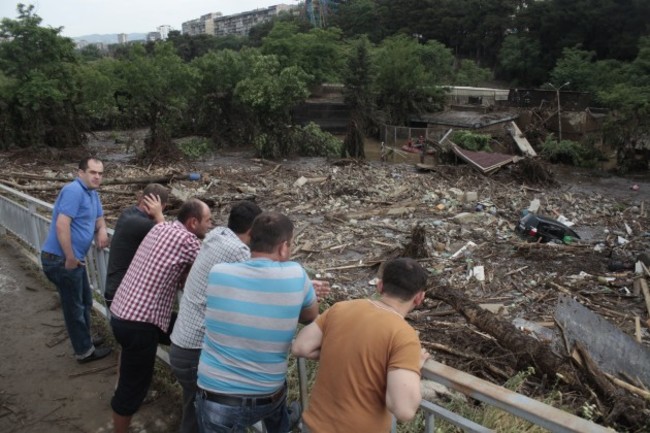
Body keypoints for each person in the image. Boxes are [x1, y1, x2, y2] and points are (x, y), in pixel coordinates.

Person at [195, 211, 319, 433]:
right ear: (283, 247)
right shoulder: (296, 274)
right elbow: (311, 315)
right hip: (268, 396)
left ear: (250, 238)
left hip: (217, 398)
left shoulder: (218, 273)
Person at [291, 257, 430, 433]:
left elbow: (301, 346)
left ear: (380, 286)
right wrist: (412, 369)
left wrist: (340, 351)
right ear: (419, 298)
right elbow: (404, 410)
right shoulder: (404, 336)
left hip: (313, 426)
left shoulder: (341, 308)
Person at [109, 198, 212, 433]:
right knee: (133, 388)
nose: (210, 225)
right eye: (208, 221)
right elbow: (209, 270)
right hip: (140, 323)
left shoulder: (161, 227)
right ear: (193, 222)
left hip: (123, 311)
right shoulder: (189, 242)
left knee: (180, 330)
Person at [169, 200, 262, 433]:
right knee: (212, 418)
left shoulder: (218, 235)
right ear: (252, 231)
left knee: (193, 412)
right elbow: (264, 283)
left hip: (181, 344)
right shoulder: (238, 251)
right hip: (195, 353)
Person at [41, 157, 111, 364]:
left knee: (86, 302)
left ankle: (85, 340)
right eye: (92, 172)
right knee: (74, 309)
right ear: (80, 173)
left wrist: (102, 230)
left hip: (73, 260)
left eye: (100, 173)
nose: (97, 176)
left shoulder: (91, 193)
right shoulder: (74, 191)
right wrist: (70, 257)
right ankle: (84, 352)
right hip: (60, 260)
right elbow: (62, 225)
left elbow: (99, 217)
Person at [104, 183, 169, 310]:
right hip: (122, 296)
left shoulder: (128, 213)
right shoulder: (141, 224)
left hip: (114, 290)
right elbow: (169, 238)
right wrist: (159, 215)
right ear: (162, 206)